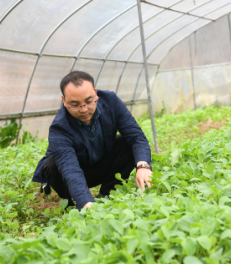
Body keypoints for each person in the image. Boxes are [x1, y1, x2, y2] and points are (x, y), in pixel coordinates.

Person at [32, 71, 152, 210]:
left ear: (96, 93)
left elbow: (136, 136)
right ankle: (74, 204)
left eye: (89, 101)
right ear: (64, 100)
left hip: (102, 163)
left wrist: (143, 166)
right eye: (75, 104)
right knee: (51, 165)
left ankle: (107, 194)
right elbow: (71, 171)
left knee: (127, 143)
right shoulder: (59, 128)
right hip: (79, 170)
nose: (84, 109)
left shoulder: (111, 101)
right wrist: (86, 203)